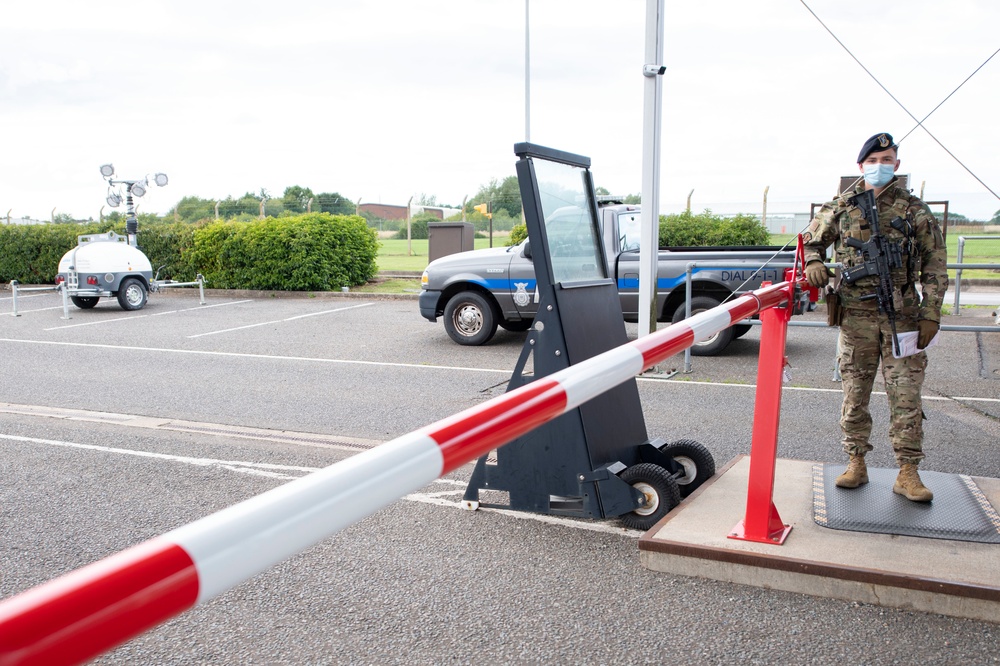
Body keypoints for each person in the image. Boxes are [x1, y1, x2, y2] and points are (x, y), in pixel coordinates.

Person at [803, 132, 949, 502]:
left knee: (906, 397)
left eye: (887, 160)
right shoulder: (843, 205)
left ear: (897, 165)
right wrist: (815, 260)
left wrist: (931, 314)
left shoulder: (914, 209)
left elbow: (935, 263)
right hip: (857, 318)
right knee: (855, 394)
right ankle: (855, 462)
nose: (880, 166)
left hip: (903, 318)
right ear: (861, 166)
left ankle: (908, 472)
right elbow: (812, 238)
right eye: (874, 160)